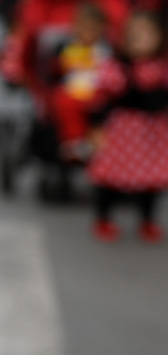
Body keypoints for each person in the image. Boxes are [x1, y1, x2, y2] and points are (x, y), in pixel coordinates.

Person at [88, 10, 168, 243]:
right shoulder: (116, 68)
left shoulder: (161, 68)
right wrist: (96, 128)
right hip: (123, 132)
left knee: (152, 177)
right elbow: (101, 100)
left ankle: (148, 219)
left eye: (145, 35)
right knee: (110, 176)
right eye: (133, 35)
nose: (138, 40)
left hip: (153, 134)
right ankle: (103, 217)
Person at [49, 3, 112, 161]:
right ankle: (75, 140)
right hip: (74, 91)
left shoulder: (105, 49)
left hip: (98, 91)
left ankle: (98, 140)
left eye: (93, 28)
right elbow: (57, 70)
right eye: (84, 27)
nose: (88, 32)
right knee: (61, 100)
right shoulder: (67, 47)